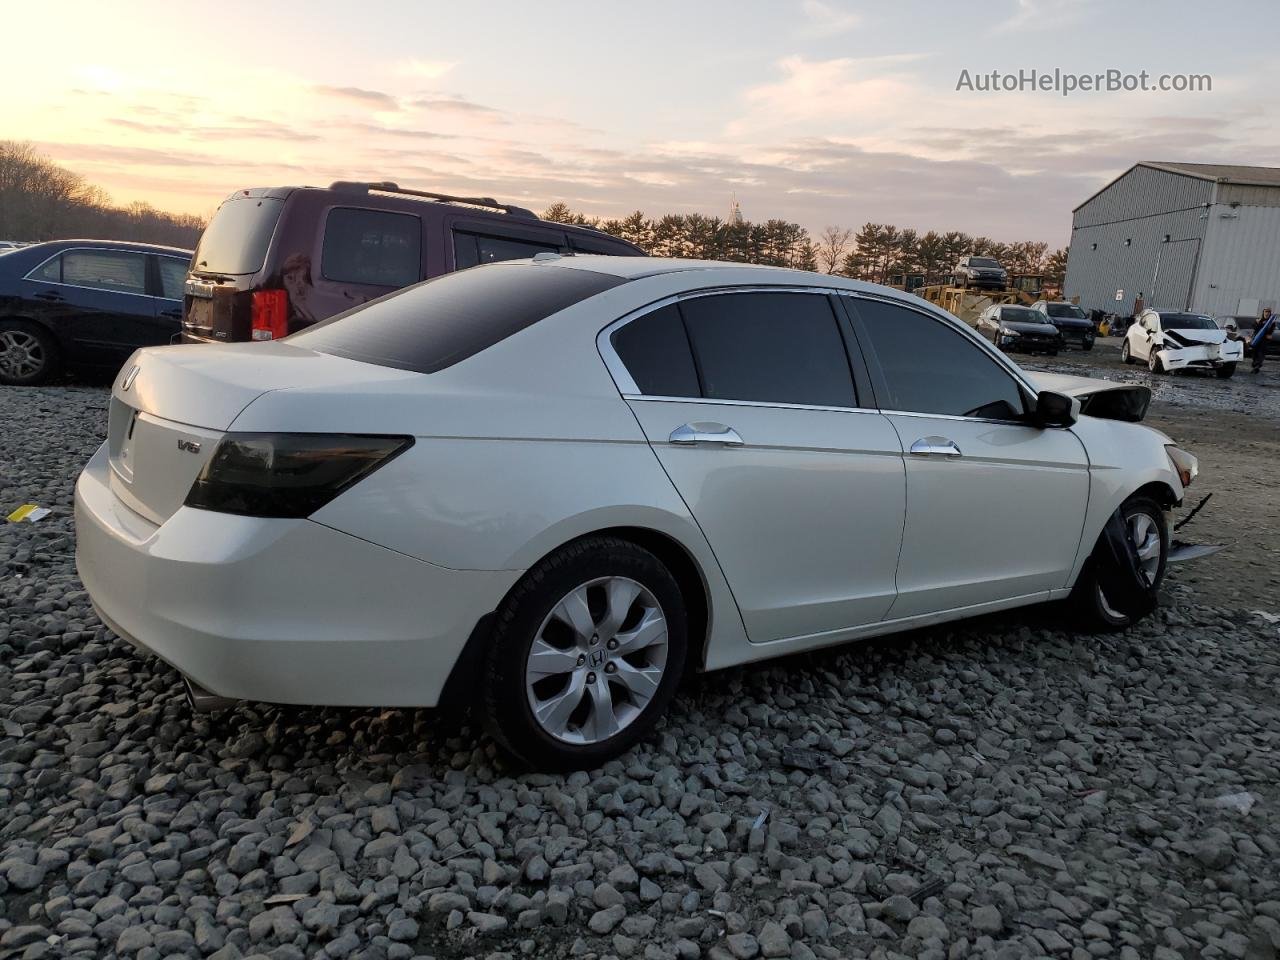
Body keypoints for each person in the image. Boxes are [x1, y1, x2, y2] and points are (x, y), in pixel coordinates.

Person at [1252, 307, 1276, 373]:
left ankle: (1258, 365)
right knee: (1255, 353)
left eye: (1268, 312)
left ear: (1270, 313)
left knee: (1261, 353)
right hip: (1256, 339)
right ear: (1263, 312)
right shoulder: (1258, 320)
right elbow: (1254, 328)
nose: (1267, 313)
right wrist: (1258, 322)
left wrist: (1269, 334)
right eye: (1266, 311)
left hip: (1264, 340)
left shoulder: (1271, 322)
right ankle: (1255, 366)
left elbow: (1270, 331)